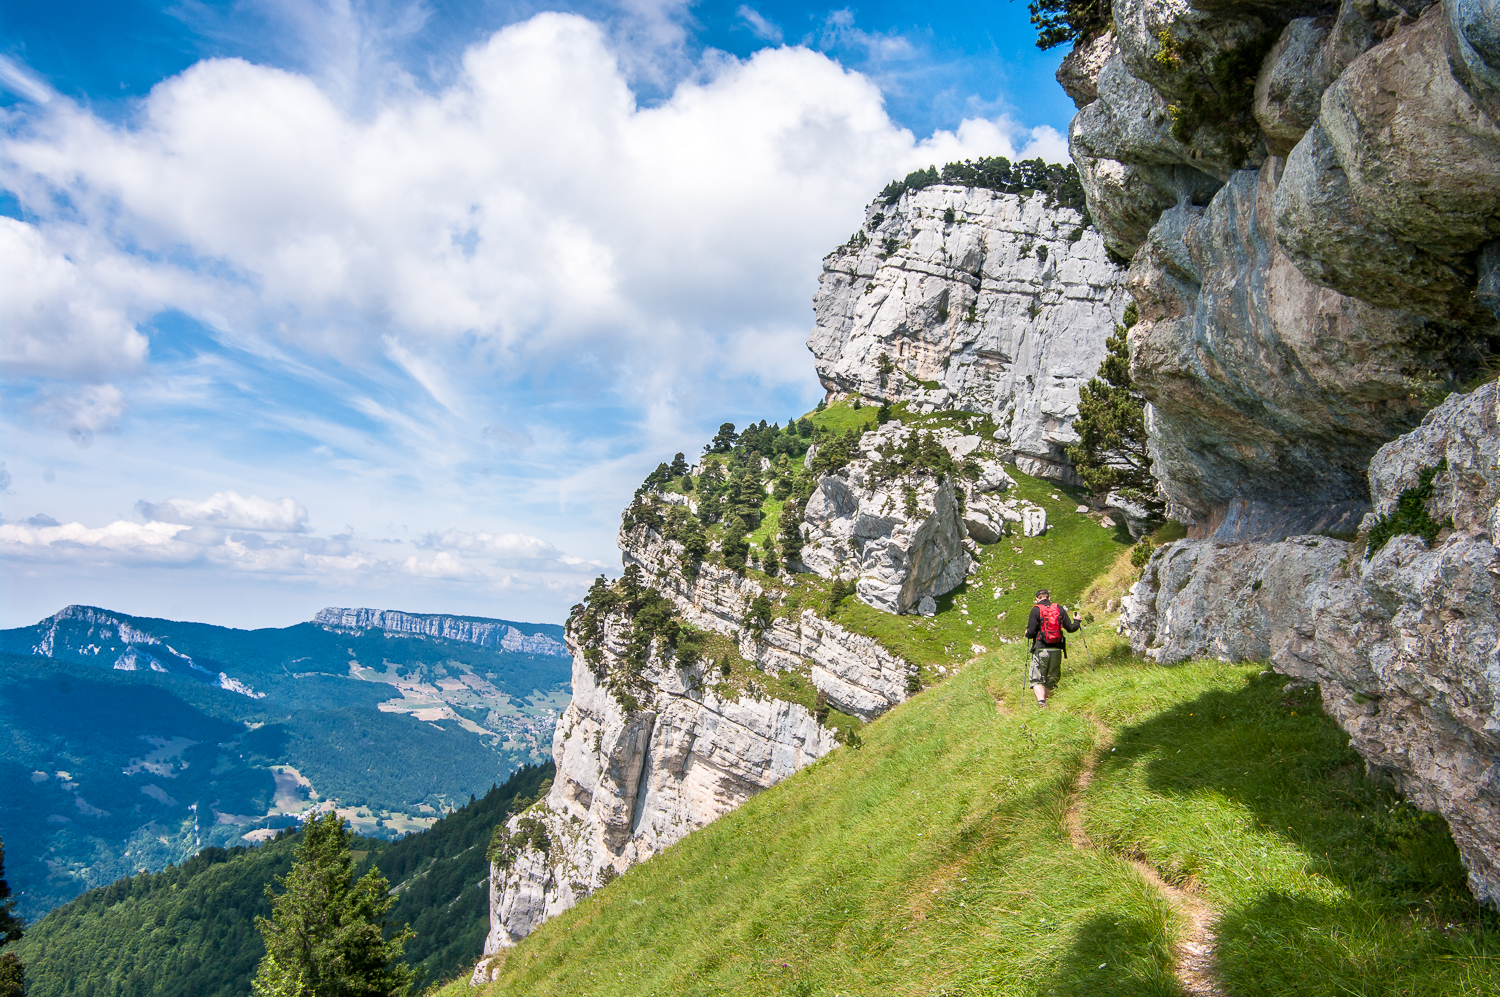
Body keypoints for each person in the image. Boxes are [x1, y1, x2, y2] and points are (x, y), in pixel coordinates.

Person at [1024, 588, 1079, 707]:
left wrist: (1026, 633)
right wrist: (1077, 621)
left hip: (1041, 649)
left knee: (1036, 678)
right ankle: (1050, 702)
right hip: (1057, 649)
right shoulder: (1058, 608)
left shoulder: (1035, 610)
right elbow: (1071, 628)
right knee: (1052, 678)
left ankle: (1042, 703)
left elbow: (1031, 632)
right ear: (1049, 597)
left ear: (1037, 599)